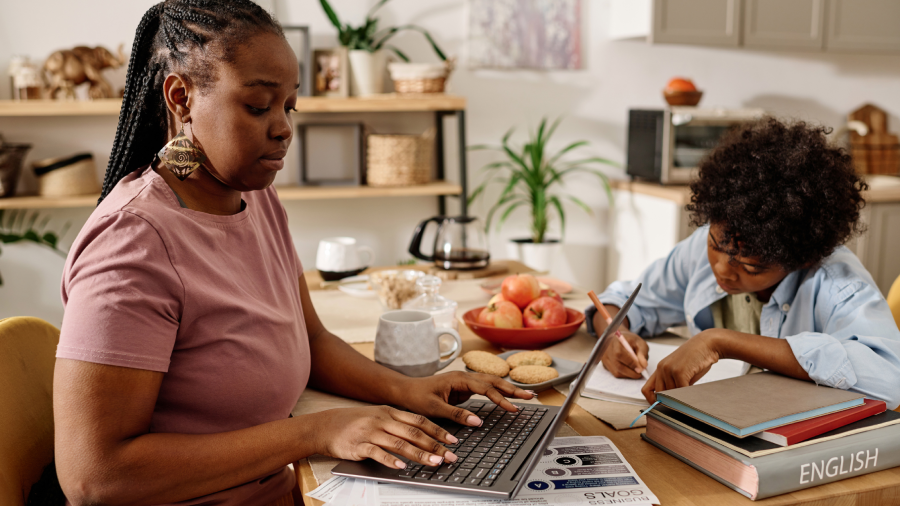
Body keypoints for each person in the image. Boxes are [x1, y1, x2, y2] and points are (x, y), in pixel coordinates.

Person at [53, 2, 532, 505]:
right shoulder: (132, 244)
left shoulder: (255, 197)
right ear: (182, 96)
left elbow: (311, 338)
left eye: (289, 107)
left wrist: (408, 390)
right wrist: (315, 432)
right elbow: (95, 478)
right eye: (259, 106)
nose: (283, 128)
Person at [589, 117, 900, 409]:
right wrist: (612, 336)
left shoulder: (836, 281)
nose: (723, 269)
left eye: (751, 267)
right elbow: (623, 301)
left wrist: (721, 342)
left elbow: (888, 375)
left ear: (800, 259)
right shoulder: (709, 244)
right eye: (716, 245)